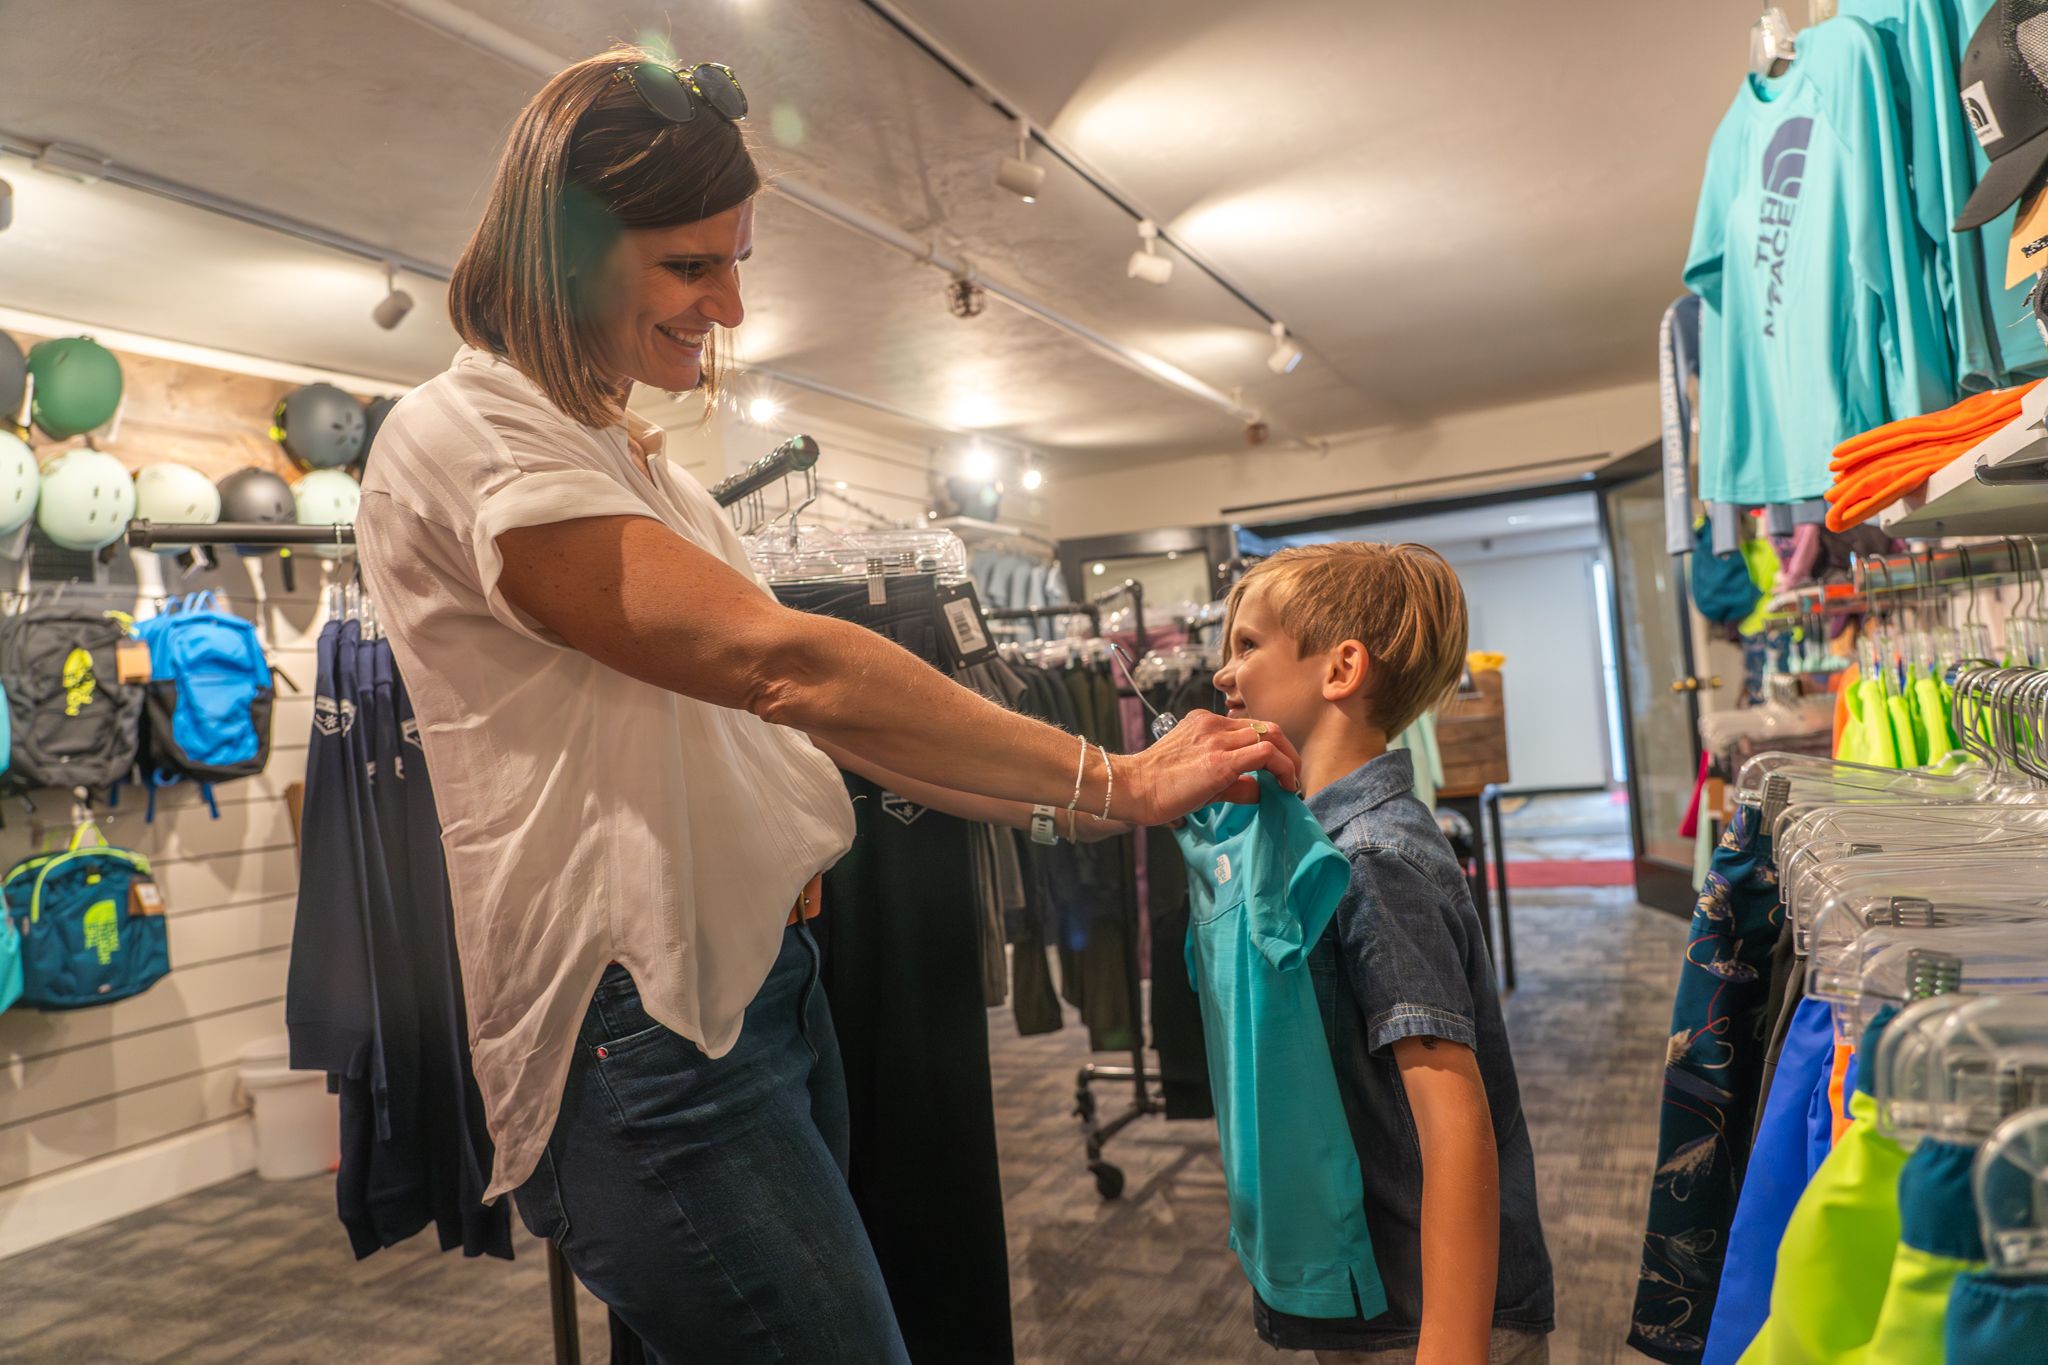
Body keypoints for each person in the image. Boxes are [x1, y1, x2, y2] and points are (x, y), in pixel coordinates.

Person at [353, 44, 1302, 1364]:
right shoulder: (467, 440)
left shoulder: (638, 469)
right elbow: (783, 662)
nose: (730, 304)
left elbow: (836, 726)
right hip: (654, 1037)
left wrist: (1103, 799)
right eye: (693, 264)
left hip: (764, 993)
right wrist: (1118, 777)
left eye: (734, 260)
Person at [1210, 544, 1554, 1364]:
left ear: (1341, 668)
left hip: (1428, 1313)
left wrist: (1451, 1345)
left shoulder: (1371, 860)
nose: (1226, 675)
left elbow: (1454, 1120)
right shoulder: (1318, 837)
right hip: (1382, 1294)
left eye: (1247, 645)